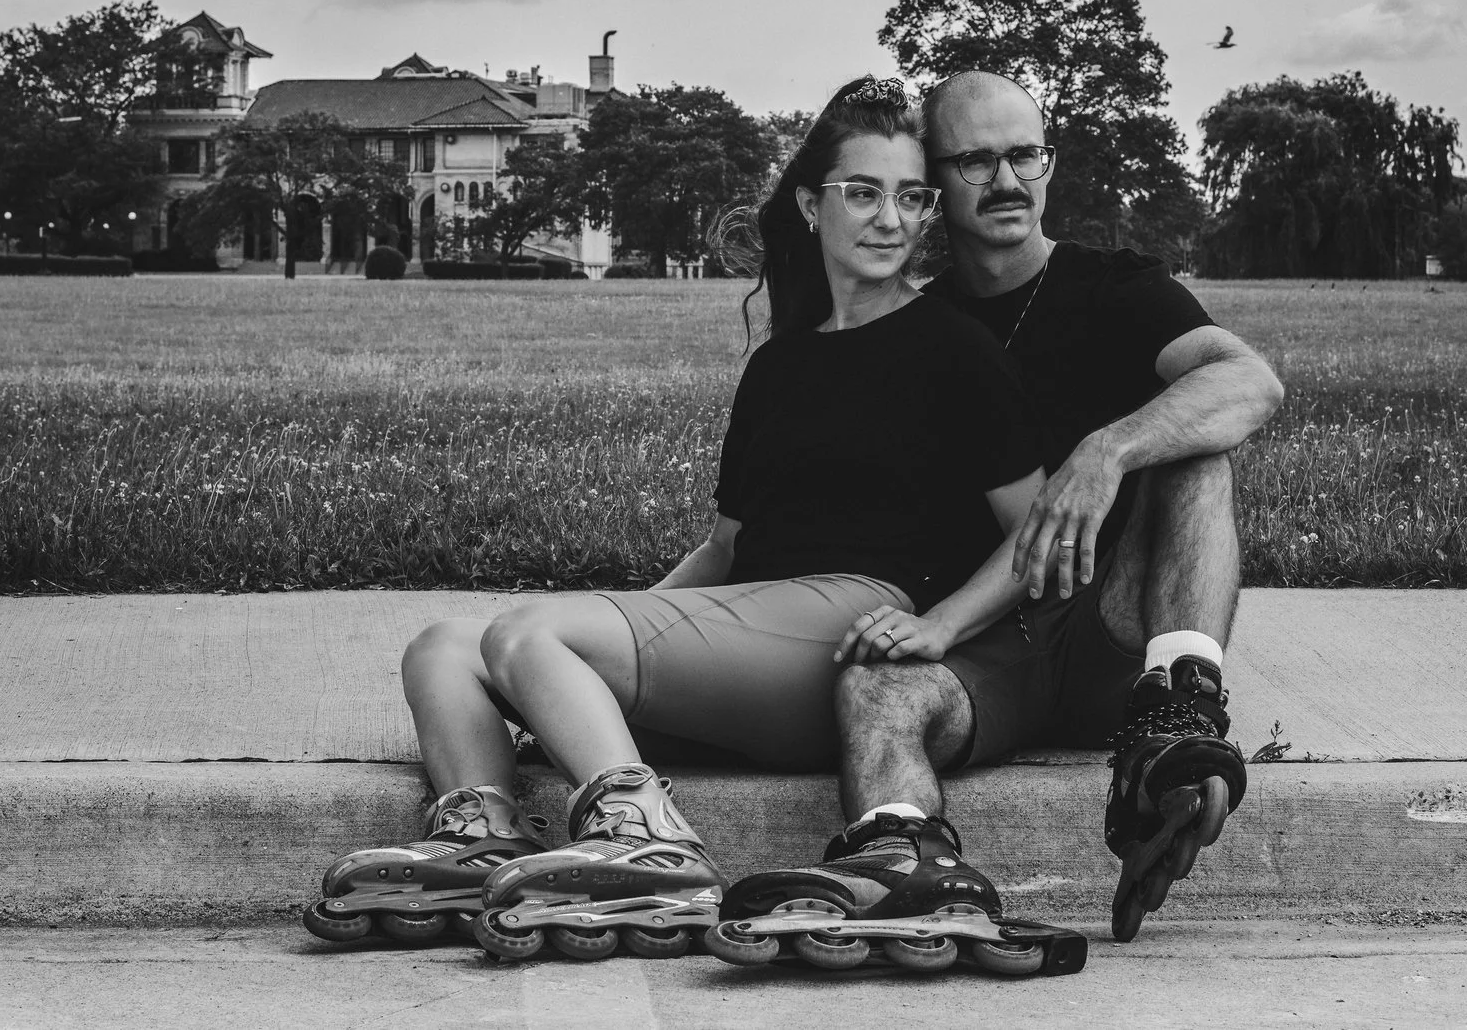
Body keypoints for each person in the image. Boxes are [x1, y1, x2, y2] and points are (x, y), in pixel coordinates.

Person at [301, 77, 1071, 969]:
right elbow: (725, 549)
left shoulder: (953, 348)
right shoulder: (781, 364)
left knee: (530, 632)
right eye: (865, 192)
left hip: (844, 627)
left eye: (911, 196)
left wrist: (942, 626)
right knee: (443, 647)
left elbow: (1036, 529)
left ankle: (651, 845)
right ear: (811, 204)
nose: (891, 219)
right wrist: (591, 645)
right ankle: (484, 842)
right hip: (753, 627)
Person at [717, 69, 1284, 948]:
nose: (1009, 180)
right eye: (977, 161)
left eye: (1025, 154)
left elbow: (1250, 381)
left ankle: (1174, 717)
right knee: (875, 690)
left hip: (1112, 627)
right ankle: (906, 867)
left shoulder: (1113, 287)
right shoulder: (915, 321)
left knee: (1197, 449)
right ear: (933, 184)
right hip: (990, 639)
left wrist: (1108, 449)